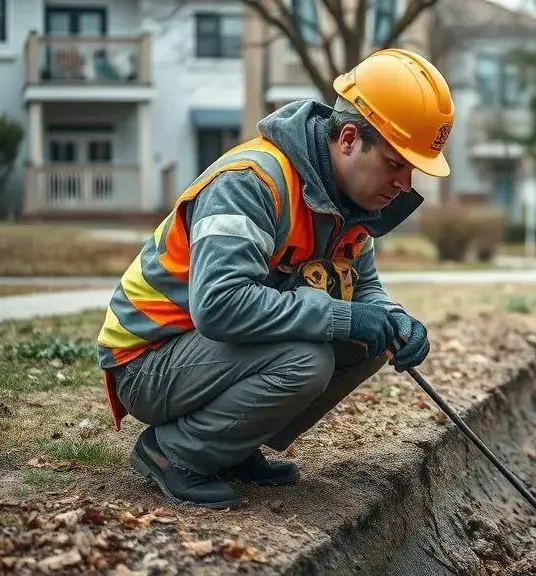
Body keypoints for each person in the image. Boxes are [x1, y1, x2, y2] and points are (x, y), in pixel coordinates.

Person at [95, 49, 454, 509]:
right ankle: (173, 452)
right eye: (395, 163)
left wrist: (394, 318)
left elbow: (362, 286)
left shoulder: (349, 202)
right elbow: (220, 305)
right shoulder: (252, 182)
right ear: (348, 139)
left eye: (412, 170)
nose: (405, 183)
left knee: (372, 337)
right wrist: (343, 318)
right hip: (149, 359)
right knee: (308, 360)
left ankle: (230, 445)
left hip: (206, 354)